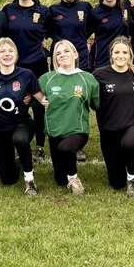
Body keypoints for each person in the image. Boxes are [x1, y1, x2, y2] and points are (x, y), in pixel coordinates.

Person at [0, 37, 44, 194]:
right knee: (8, 180)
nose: (7, 54)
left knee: (20, 139)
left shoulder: (27, 75)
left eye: (11, 51)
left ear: (16, 55)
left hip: (22, 123)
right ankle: (20, 162)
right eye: (2, 51)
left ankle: (29, 180)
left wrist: (55, 103)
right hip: (0, 126)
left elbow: (41, 98)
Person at [38, 40, 100, 195]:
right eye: (58, 53)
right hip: (54, 132)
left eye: (66, 51)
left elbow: (98, 104)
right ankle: (66, 177)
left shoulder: (88, 79)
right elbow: (30, 98)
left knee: (65, 148)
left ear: (75, 54)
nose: (62, 55)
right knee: (60, 180)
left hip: (77, 131)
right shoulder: (47, 79)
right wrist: (40, 99)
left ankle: (74, 178)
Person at [2, 0, 50, 162]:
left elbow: (52, 32)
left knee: (39, 105)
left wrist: (45, 46)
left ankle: (40, 145)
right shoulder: (8, 10)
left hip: (38, 65)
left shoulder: (43, 11)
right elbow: (3, 36)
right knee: (18, 103)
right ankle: (18, 141)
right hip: (16, 66)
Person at [92, 36, 134, 196]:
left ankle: (133, 179)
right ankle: (122, 171)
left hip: (133, 124)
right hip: (109, 129)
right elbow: (88, 98)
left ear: (130, 55)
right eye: (117, 52)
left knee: (129, 144)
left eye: (124, 52)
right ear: (111, 54)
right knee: (116, 183)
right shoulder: (99, 74)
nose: (120, 56)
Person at [48, 0, 95, 70]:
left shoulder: (85, 7)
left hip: (81, 55)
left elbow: (92, 26)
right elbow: (48, 30)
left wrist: (81, 38)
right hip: (60, 57)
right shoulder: (53, 9)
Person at [88, 0, 130, 70]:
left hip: (123, 58)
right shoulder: (95, 13)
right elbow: (83, 34)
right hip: (102, 60)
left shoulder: (126, 5)